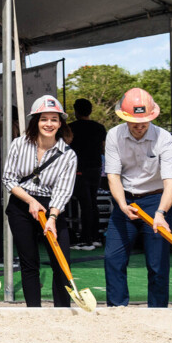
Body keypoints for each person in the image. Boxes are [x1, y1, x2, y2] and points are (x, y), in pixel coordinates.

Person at [101, 87, 172, 307]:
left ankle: (157, 311)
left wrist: (161, 213)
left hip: (157, 200)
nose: (139, 126)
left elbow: (171, 182)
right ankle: (117, 309)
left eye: (144, 121)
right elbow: (113, 176)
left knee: (157, 263)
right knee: (113, 258)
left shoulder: (165, 138)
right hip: (125, 199)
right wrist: (122, 205)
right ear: (124, 117)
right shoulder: (114, 135)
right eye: (134, 121)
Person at [4, 95, 78, 307]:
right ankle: (33, 311)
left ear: (60, 123)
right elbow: (8, 178)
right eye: (43, 118)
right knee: (29, 263)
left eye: (54, 119)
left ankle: (62, 310)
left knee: (61, 262)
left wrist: (52, 217)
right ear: (35, 121)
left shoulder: (68, 155)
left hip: (53, 207)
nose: (49, 124)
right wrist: (30, 201)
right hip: (21, 204)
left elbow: (63, 190)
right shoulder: (19, 144)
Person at [67, 98, 107, 250]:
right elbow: (103, 148)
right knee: (92, 201)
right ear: (90, 111)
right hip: (96, 168)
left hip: (79, 169)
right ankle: (95, 236)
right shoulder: (99, 127)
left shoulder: (71, 127)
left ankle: (86, 239)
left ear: (76, 111)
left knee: (85, 203)